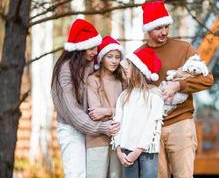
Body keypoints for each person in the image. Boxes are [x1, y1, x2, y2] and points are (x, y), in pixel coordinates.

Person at [140, 0, 215, 178]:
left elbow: (207, 78)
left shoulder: (184, 49)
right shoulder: (138, 56)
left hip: (181, 123)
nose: (164, 32)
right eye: (158, 28)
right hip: (151, 128)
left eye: (166, 26)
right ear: (148, 29)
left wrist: (179, 85)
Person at [51, 19, 119, 178]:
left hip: (90, 129)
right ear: (80, 48)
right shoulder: (65, 71)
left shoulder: (89, 63)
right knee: (76, 174)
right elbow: (74, 114)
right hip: (71, 129)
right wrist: (103, 127)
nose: (96, 52)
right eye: (92, 48)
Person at [111, 47, 164, 178]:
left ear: (139, 69)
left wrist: (138, 150)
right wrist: (118, 149)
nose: (125, 68)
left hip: (147, 151)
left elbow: (153, 127)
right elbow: (117, 122)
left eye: (129, 65)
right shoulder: (124, 95)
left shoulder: (154, 96)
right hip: (126, 150)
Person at [85, 36, 124, 178]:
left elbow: (127, 111)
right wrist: (116, 114)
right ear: (102, 58)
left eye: (117, 57)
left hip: (118, 139)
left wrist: (106, 111)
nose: (114, 61)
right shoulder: (93, 80)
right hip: (97, 140)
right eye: (110, 56)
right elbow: (95, 113)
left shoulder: (122, 81)